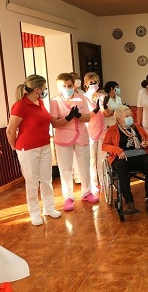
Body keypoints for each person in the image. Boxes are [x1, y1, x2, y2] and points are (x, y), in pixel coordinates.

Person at [6, 75, 61, 225]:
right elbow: (10, 130)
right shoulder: (20, 106)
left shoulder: (40, 101)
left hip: (44, 146)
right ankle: (34, 213)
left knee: (46, 180)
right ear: (37, 89)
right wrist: (14, 148)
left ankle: (49, 208)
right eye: (44, 88)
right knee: (32, 182)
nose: (45, 90)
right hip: (27, 149)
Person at [50, 73, 99, 211]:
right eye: (64, 86)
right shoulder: (55, 101)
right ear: (59, 87)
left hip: (81, 136)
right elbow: (54, 123)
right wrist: (68, 118)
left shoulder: (81, 97)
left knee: (84, 165)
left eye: (69, 86)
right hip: (63, 138)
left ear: (74, 85)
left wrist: (78, 116)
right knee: (65, 168)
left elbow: (88, 117)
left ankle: (87, 192)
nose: (67, 88)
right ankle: (68, 197)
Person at [102, 105, 148, 214]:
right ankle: (129, 201)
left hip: (139, 154)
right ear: (119, 119)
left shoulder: (137, 126)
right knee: (121, 167)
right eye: (126, 116)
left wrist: (146, 143)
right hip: (122, 157)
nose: (130, 117)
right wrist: (118, 150)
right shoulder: (112, 130)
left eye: (130, 115)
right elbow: (104, 146)